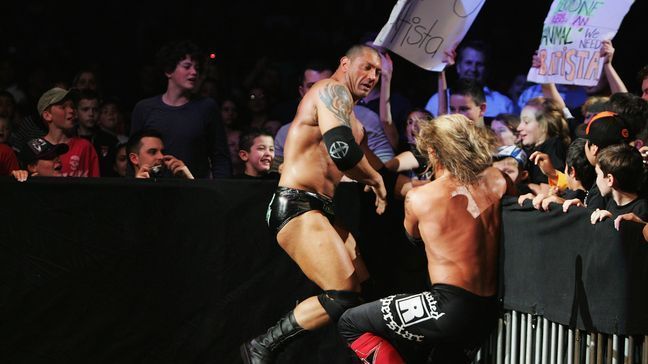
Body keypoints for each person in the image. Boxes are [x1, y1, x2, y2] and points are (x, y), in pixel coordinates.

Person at [240, 44, 387, 363]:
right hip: (297, 203)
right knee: (342, 294)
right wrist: (375, 181)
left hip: (321, 207)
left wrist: (424, 171)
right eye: (366, 67)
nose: (372, 76)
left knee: (363, 292)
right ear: (345, 63)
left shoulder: (354, 119)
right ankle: (262, 346)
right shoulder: (330, 90)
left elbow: (376, 165)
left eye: (378, 72)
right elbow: (343, 153)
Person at [337, 114, 513, 363]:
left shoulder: (421, 198)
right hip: (487, 309)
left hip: (448, 307)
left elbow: (413, 239)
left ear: (432, 151)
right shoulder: (496, 179)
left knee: (350, 322)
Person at [130, 39, 231, 179]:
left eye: (196, 68)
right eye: (187, 66)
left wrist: (221, 193)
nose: (194, 72)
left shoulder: (207, 107)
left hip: (194, 192)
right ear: (168, 71)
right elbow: (133, 156)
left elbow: (220, 157)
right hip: (153, 192)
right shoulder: (145, 108)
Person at [425, 40, 514, 119]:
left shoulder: (503, 104)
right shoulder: (436, 101)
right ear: (458, 67)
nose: (473, 69)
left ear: (487, 69)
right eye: (468, 63)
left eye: (479, 64)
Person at [37, 87, 100, 177]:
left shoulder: (85, 147)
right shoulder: (36, 148)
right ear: (47, 115)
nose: (71, 111)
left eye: (73, 107)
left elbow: (96, 186)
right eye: (63, 107)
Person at [589, 143, 648, 224]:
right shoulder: (612, 202)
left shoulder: (641, 210)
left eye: (598, 174)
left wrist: (609, 222)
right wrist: (580, 209)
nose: (597, 180)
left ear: (610, 179)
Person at [75, 89, 120, 177]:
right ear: (76, 112)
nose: (91, 113)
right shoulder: (68, 138)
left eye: (95, 109)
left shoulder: (110, 140)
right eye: (85, 109)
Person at [126, 128, 194, 179]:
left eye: (162, 152)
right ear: (134, 158)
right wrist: (137, 187)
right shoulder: (122, 192)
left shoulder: (173, 189)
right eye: (153, 152)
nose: (161, 157)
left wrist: (189, 180)